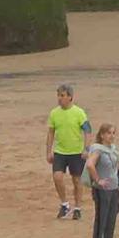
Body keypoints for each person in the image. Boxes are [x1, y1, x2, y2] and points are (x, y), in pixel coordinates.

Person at [45, 84, 91, 220]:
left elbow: (88, 131)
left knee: (77, 180)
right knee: (57, 177)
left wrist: (86, 149)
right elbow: (51, 133)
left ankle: (77, 207)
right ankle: (65, 204)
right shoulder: (54, 113)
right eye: (58, 95)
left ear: (70, 97)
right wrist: (48, 151)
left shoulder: (79, 112)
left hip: (76, 152)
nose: (60, 98)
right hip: (60, 151)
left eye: (62, 95)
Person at [84, 123, 119, 238]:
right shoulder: (98, 149)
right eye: (108, 133)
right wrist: (98, 180)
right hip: (102, 191)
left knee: (111, 222)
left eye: (113, 133)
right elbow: (90, 165)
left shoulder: (113, 149)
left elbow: (118, 164)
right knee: (101, 222)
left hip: (113, 190)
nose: (111, 136)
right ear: (102, 135)